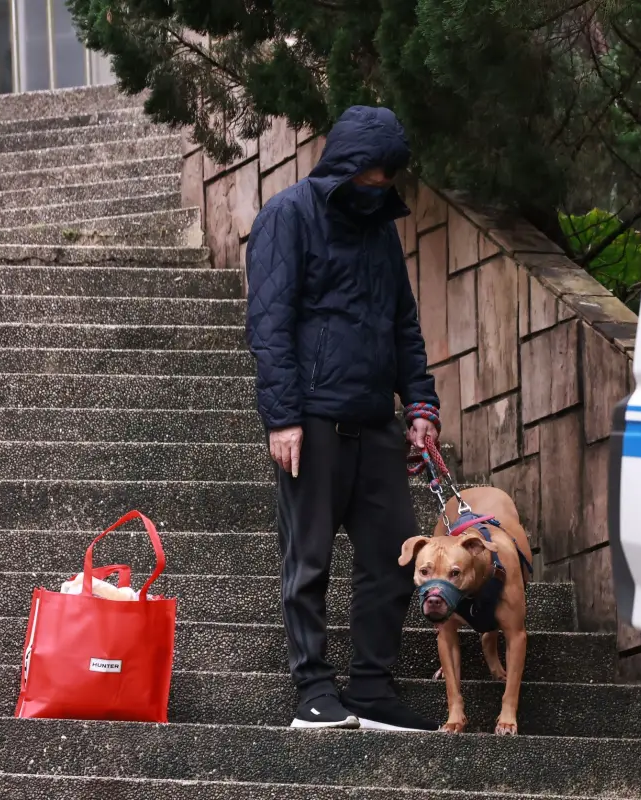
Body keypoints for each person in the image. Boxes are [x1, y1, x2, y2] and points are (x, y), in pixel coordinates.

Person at [246, 106, 441, 732]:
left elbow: (403, 323)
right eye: (370, 177)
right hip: (312, 421)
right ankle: (311, 688)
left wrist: (420, 405)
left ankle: (372, 686)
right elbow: (269, 325)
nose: (378, 188)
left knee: (394, 556)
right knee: (308, 560)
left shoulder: (381, 228)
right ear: (346, 167)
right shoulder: (288, 216)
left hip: (377, 421)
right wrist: (283, 417)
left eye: (388, 180)